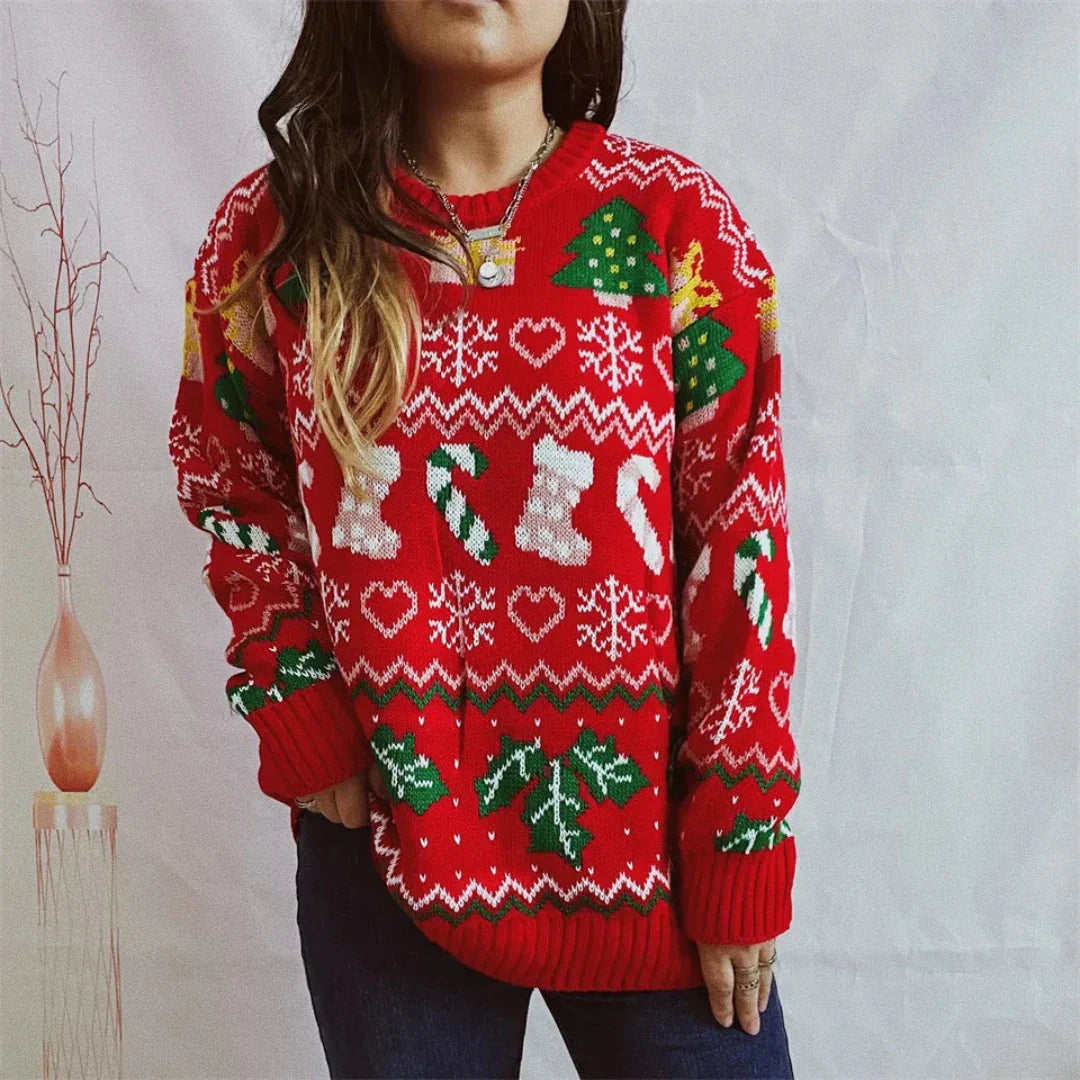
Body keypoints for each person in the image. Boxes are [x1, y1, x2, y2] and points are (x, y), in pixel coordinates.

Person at [167, 1, 802, 1077]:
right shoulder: (276, 231)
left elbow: (742, 548)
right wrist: (296, 704)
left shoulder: (678, 226)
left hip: (654, 857)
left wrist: (743, 833)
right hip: (386, 841)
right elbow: (228, 479)